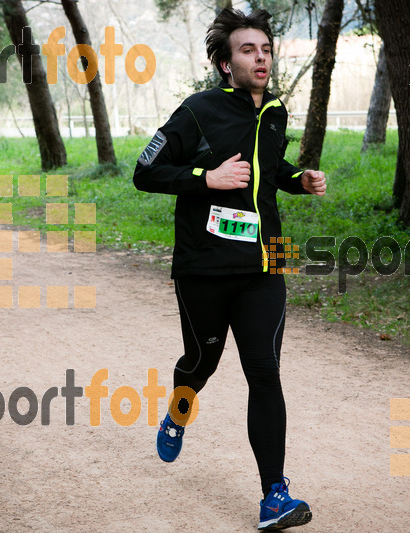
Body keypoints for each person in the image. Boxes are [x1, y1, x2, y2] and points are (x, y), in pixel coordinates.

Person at [133, 8, 326, 531]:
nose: (260, 58)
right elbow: (144, 172)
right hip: (205, 266)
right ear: (224, 63)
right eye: (248, 50)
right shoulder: (197, 112)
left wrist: (297, 180)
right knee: (202, 361)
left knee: (264, 372)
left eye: (265, 49)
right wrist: (206, 177)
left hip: (267, 261)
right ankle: (179, 406)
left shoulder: (277, 111)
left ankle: (274, 496)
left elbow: (268, 170)